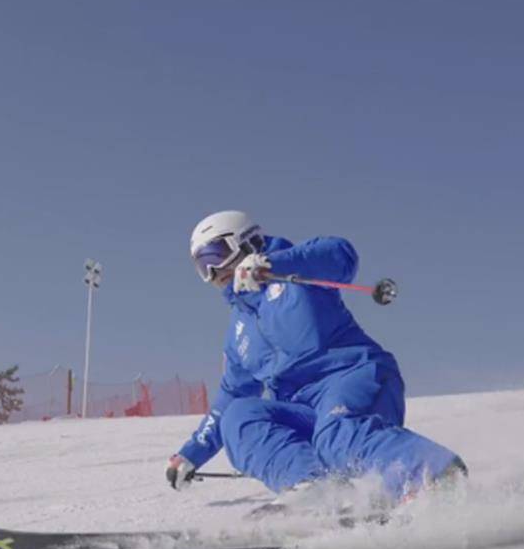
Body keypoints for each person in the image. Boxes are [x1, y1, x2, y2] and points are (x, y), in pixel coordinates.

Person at [166, 210, 465, 507]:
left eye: (215, 256)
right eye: (202, 266)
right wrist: (191, 453)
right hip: (305, 410)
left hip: (353, 377)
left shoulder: (294, 270)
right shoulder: (239, 329)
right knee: (239, 417)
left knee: (335, 433)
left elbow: (341, 255)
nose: (213, 273)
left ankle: (435, 474)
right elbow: (231, 396)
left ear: (245, 242)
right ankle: (315, 491)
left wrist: (273, 263)